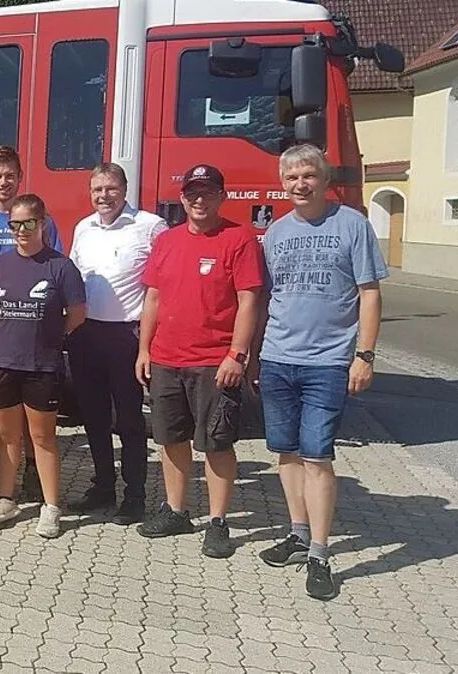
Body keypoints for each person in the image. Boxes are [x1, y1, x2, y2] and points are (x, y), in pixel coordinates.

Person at [257, 144, 388, 600]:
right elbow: (269, 299)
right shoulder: (275, 233)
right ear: (282, 182)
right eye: (291, 177)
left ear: (324, 178)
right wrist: (256, 354)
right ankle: (296, 533)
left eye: (308, 175)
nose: (299, 184)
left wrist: (365, 355)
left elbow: (369, 293)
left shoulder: (352, 224)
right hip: (277, 358)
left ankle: (319, 553)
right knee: (287, 454)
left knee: (317, 456)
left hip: (328, 362)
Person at [134, 164, 263, 559]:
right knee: (171, 439)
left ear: (221, 196)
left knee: (217, 443)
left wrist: (237, 356)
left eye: (207, 192)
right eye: (192, 192)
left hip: (214, 362)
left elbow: (250, 302)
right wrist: (144, 349)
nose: (198, 199)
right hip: (167, 359)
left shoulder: (238, 239)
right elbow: (153, 299)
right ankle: (176, 510)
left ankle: (219, 521)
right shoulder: (167, 241)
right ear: (183, 198)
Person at [67, 163, 168, 524]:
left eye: (110, 189)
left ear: (125, 190)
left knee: (129, 420)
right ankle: (103, 486)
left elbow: (163, 285)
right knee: (93, 417)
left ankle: (135, 494)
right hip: (87, 334)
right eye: (97, 190)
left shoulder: (150, 226)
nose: (103, 196)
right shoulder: (83, 228)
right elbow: (74, 279)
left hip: (127, 335)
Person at [0, 194, 85, 538]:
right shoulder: (0, 264)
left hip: (42, 365)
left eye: (29, 223)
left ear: (43, 223)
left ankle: (51, 506)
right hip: (3, 362)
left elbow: (77, 315)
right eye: (16, 224)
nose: (22, 230)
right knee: (8, 437)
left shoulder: (60, 266)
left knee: (42, 439)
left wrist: (49, 336)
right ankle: (6, 498)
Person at [0, 145, 64, 497]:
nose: (3, 182)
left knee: (31, 401)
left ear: (20, 177)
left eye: (10, 175)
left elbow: (54, 266)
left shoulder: (43, 221)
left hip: (29, 325)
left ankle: (32, 469)